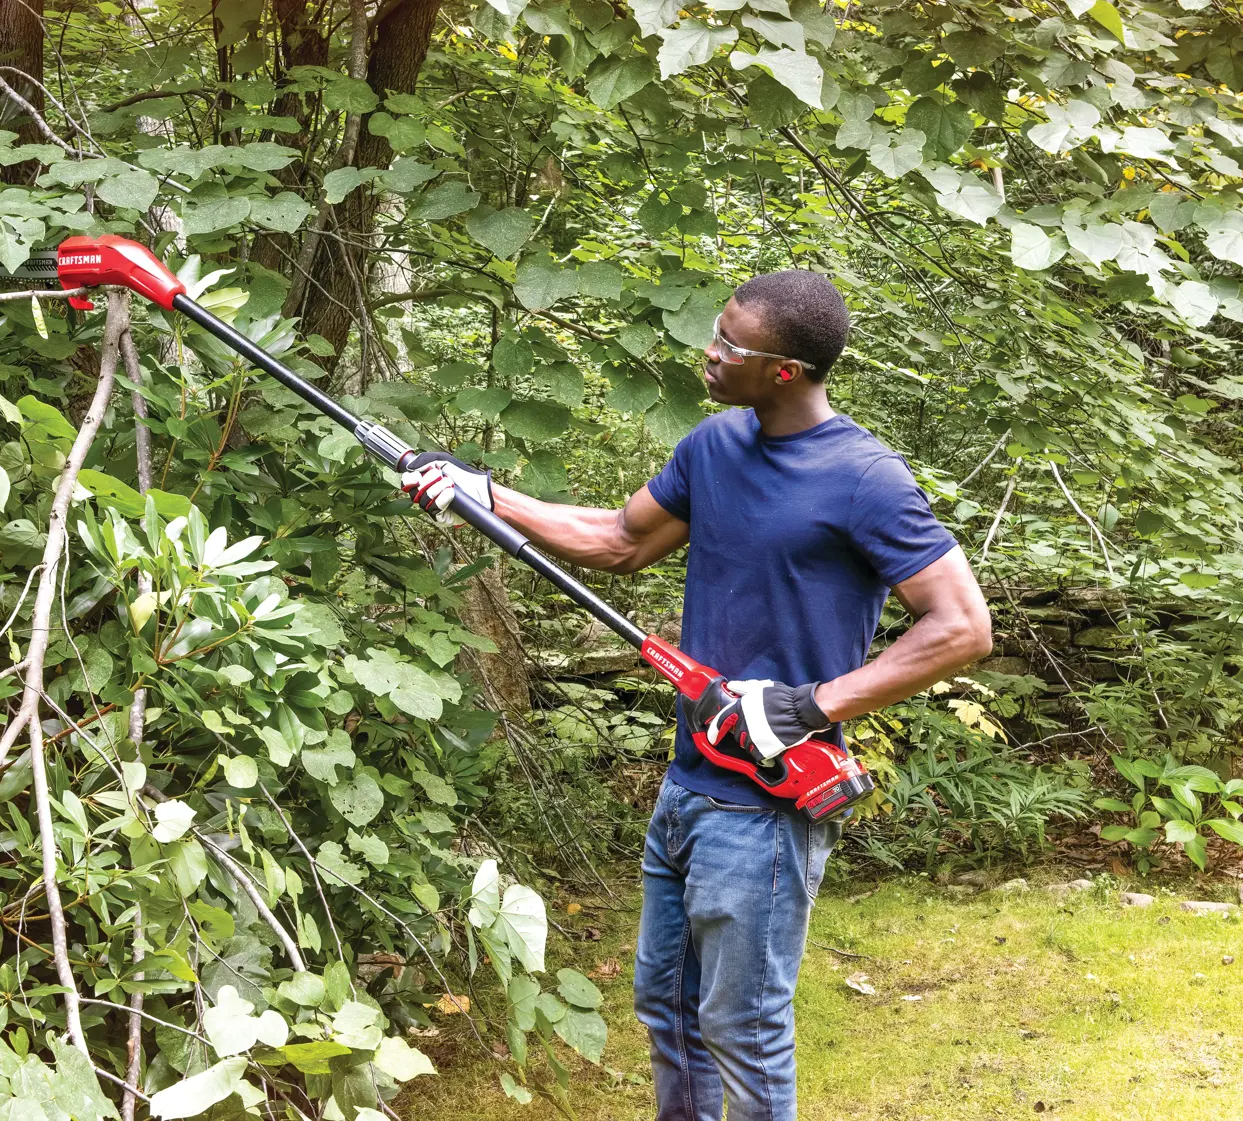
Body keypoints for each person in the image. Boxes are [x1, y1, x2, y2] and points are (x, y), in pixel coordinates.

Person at [400, 271, 993, 1121]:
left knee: (743, 1029)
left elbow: (963, 627)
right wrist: (481, 492)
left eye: (730, 345)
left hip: (766, 809)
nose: (709, 354)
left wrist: (811, 705)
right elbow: (616, 540)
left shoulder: (864, 477)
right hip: (686, 789)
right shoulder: (714, 446)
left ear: (785, 370)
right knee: (670, 1014)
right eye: (715, 333)